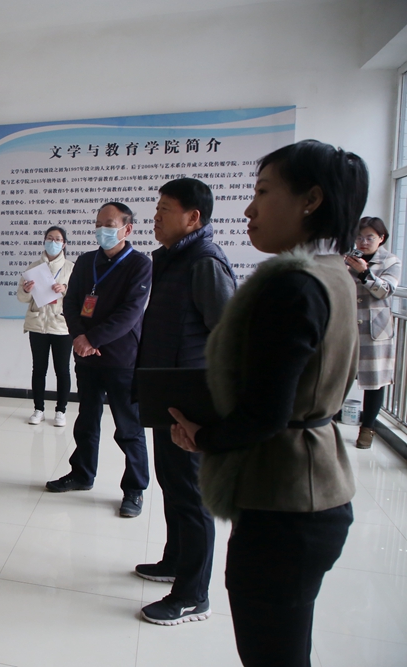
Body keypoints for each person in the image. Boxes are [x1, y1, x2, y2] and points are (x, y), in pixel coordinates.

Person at [170, 140, 366, 667]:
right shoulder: (333, 273)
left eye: (262, 192)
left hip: (286, 500)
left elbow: (267, 411)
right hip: (317, 486)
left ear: (311, 200)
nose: (249, 209)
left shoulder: (291, 286)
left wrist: (204, 437)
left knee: (272, 651)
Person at [134, 178, 237, 625]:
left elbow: (229, 335)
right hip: (169, 391)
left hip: (192, 397)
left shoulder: (204, 262)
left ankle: (194, 594)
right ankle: (175, 560)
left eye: (164, 209)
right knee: (172, 483)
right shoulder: (174, 258)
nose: (155, 217)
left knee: (192, 495)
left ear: (193, 217)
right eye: (156, 208)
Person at [46, 202, 152, 519]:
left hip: (121, 359)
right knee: (87, 420)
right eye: (98, 224)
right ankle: (82, 474)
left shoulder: (140, 264)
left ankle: (134, 489)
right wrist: (79, 337)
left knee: (128, 428)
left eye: (109, 224)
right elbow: (72, 303)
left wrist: (92, 339)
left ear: (127, 229)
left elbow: (130, 314)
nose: (101, 230)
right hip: (87, 357)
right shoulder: (86, 261)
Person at [344, 216, 401, 449]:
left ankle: (367, 429)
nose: (363, 242)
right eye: (359, 237)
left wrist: (364, 273)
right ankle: (327, 423)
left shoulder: (391, 261)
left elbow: (385, 291)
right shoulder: (347, 258)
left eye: (370, 237)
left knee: (375, 382)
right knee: (339, 377)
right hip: (347, 327)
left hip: (375, 329)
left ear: (381, 238)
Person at [17, 226, 74, 427]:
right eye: (50, 238)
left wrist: (65, 289)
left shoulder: (71, 268)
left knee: (62, 370)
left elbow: (79, 296)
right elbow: (21, 297)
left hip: (62, 326)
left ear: (64, 244)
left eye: (57, 239)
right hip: (37, 325)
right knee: (39, 369)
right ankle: (38, 409)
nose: (53, 242)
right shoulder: (33, 268)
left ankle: (61, 411)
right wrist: (26, 290)